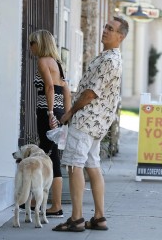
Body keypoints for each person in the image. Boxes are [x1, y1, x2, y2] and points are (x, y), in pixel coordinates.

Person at [52, 16, 129, 232]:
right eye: (105, 26)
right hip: (97, 122)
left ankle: (76, 218)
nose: (105, 30)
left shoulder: (109, 60)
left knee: (75, 165)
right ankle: (99, 217)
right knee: (92, 165)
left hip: (86, 119)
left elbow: (90, 94)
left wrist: (69, 112)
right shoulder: (111, 57)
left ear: (120, 36)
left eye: (110, 29)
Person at [28, 29, 71, 218]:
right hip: (58, 113)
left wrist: (51, 113)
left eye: (32, 43)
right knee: (50, 155)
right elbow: (66, 90)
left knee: (49, 157)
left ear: (40, 44)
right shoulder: (58, 64)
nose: (30, 47)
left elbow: (49, 87)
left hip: (48, 113)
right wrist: (66, 116)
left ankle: (55, 206)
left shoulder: (43, 61)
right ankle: (41, 202)